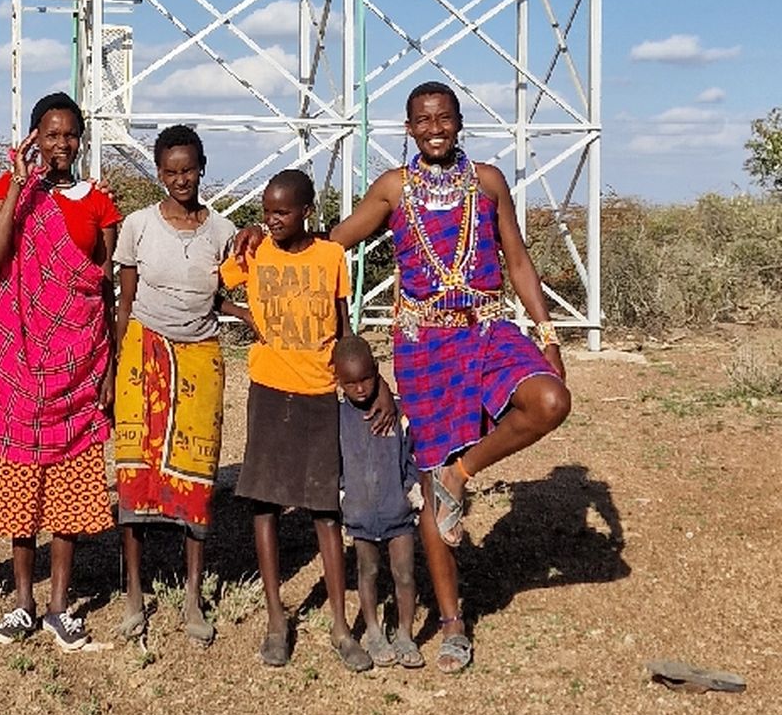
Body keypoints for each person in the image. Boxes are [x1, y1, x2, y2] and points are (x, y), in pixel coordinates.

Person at [328, 81, 571, 673]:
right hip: (425, 346)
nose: (434, 129)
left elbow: (517, 260)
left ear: (460, 122)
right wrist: (272, 236)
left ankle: (460, 475)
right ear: (409, 128)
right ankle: (453, 625)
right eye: (423, 120)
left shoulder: (487, 182)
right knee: (432, 470)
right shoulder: (394, 188)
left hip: (488, 329)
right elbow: (333, 244)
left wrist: (547, 333)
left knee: (549, 400)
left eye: (444, 118)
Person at [0, 92, 120, 652]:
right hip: (18, 363)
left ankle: (58, 606)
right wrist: (18, 181)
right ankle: (23, 602)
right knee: (20, 487)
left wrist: (109, 366)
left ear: (81, 140)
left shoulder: (99, 203)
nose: (61, 144)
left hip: (79, 361)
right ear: (34, 137)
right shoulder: (9, 191)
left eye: (70, 135)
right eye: (50, 134)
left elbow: (101, 285)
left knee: (69, 489)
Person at [219, 169, 374, 672]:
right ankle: (275, 620)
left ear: (306, 211)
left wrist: (366, 385)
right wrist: (246, 315)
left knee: (325, 510)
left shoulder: (330, 257)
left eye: (282, 212)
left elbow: (344, 326)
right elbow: (210, 286)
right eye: (267, 212)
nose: (273, 220)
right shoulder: (254, 252)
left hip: (319, 394)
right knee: (264, 503)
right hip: (268, 389)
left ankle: (340, 625)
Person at [112, 125, 252, 646]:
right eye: (170, 172)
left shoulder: (222, 231)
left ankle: (192, 597)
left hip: (200, 358)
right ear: (159, 172)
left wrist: (244, 309)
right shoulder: (138, 226)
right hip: (143, 353)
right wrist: (115, 368)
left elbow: (218, 292)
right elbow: (125, 303)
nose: (180, 180)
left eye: (188, 170)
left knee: (197, 473)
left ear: (201, 168)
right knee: (135, 473)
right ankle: (133, 594)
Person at [332, 335, 423, 668]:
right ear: (338, 381)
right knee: (367, 570)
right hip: (360, 514)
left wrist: (411, 493)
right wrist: (344, 496)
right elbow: (335, 465)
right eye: (350, 383)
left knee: (405, 574)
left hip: (398, 512)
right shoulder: (337, 417)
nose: (360, 388)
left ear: (377, 370)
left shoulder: (397, 412)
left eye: (366, 379)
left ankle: (405, 634)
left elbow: (412, 455)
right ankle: (372, 630)